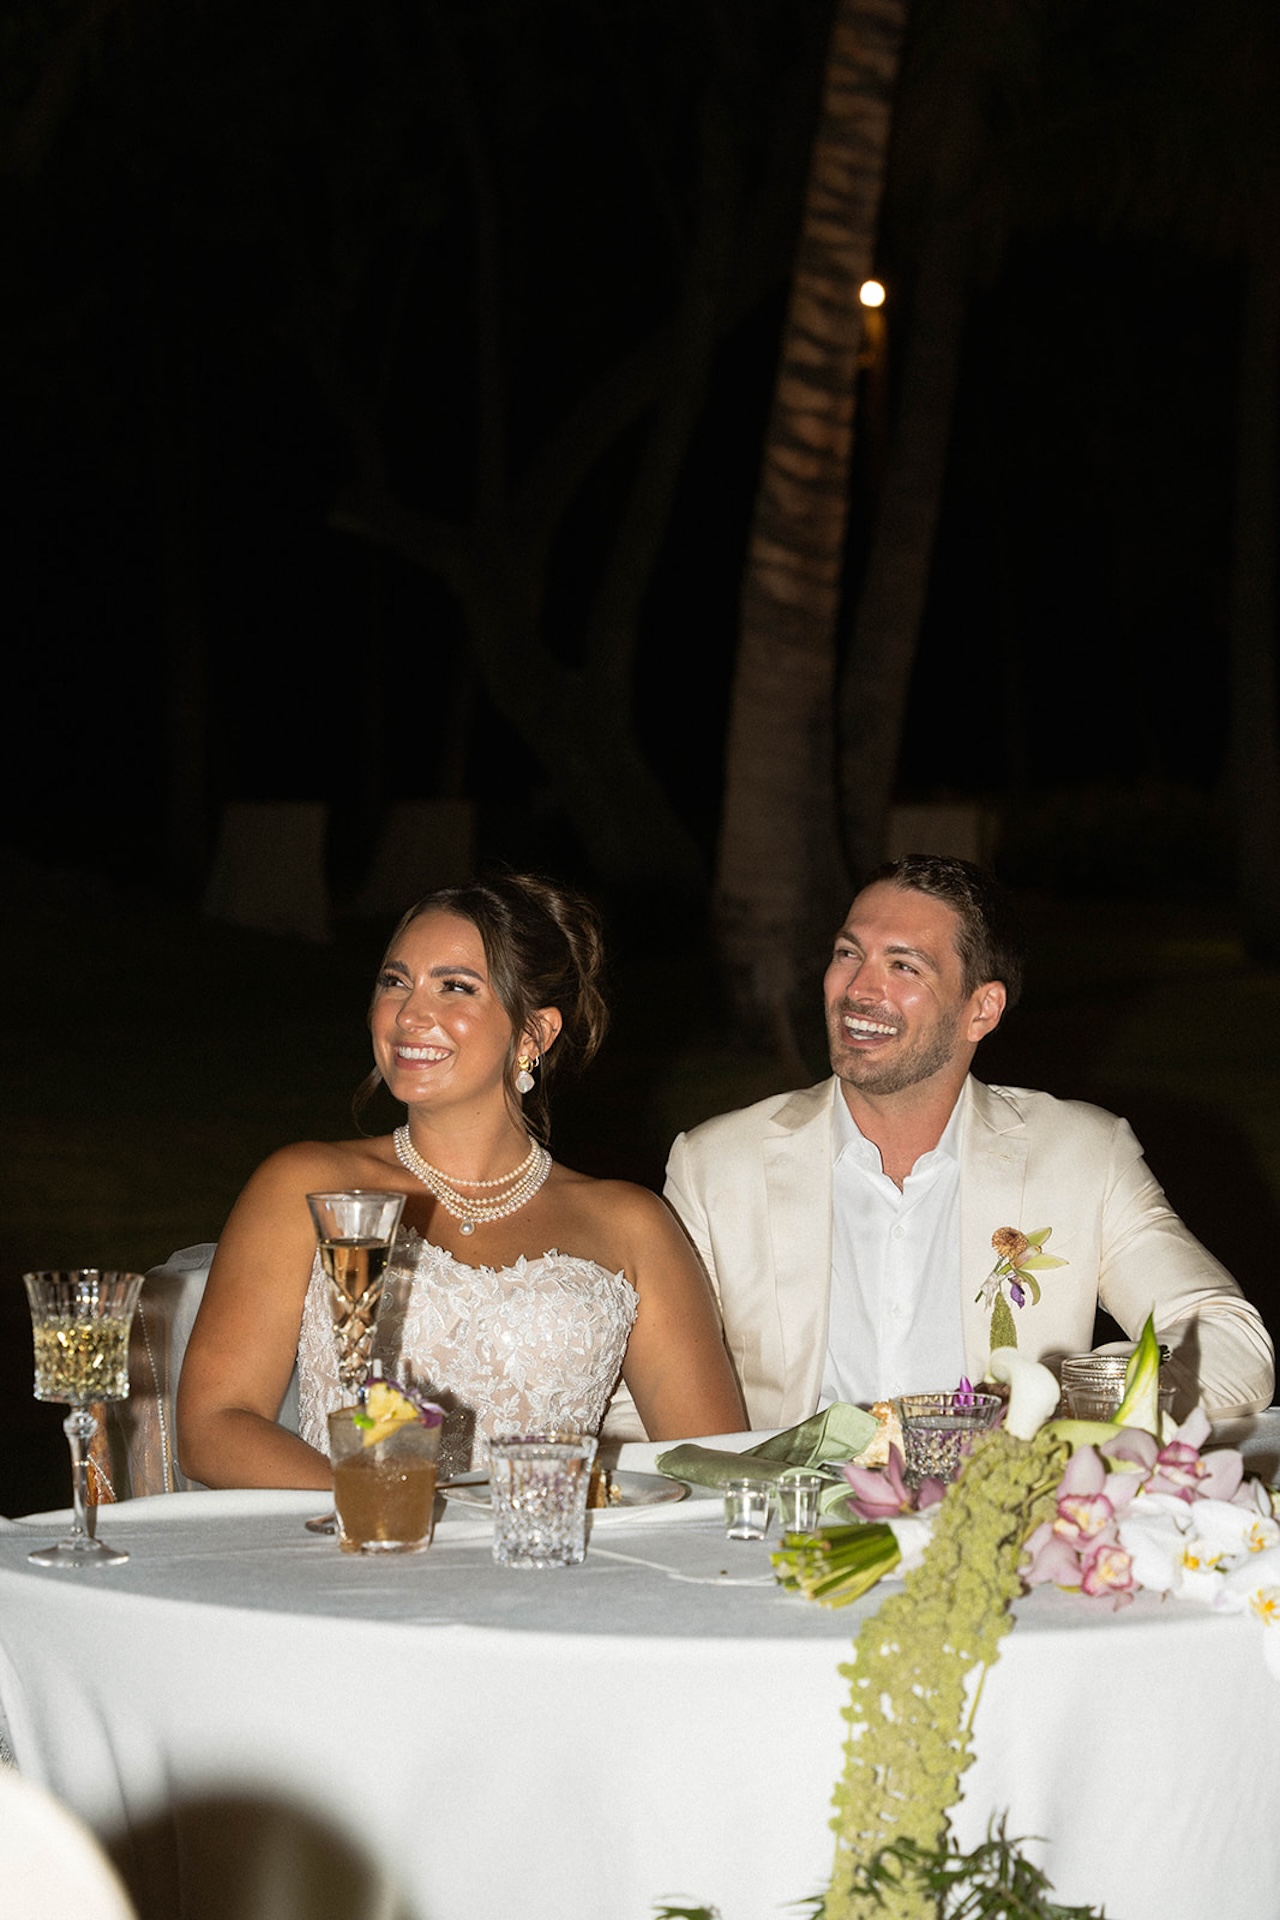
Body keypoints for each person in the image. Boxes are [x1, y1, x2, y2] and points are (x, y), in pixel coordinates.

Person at [662, 855, 1274, 1429]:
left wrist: (1060, 1402)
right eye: (849, 954)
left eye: (903, 966)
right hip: (788, 1523)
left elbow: (1230, 1343)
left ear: (981, 1010)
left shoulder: (1083, 1155)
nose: (857, 990)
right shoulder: (716, 1165)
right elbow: (644, 1403)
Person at [178, 873, 745, 1490]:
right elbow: (213, 1427)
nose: (411, 1013)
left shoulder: (630, 1225)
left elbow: (713, 1469)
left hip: (549, 1567)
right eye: (395, 982)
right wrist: (393, 1507)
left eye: (455, 987)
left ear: (533, 1034)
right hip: (358, 1556)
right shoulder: (307, 1185)